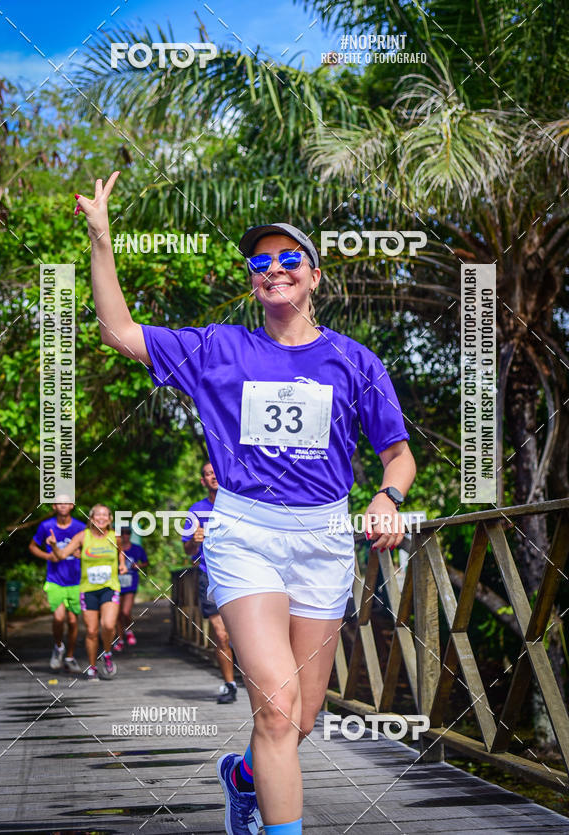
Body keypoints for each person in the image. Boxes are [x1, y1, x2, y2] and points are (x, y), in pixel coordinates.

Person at [74, 175, 415, 834]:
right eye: (262, 262)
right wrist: (101, 240)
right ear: (253, 281)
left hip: (322, 539)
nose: (275, 269)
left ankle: (244, 777)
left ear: (314, 277)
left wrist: (387, 494)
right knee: (278, 712)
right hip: (245, 531)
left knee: (303, 717)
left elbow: (397, 454)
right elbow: (118, 328)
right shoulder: (218, 348)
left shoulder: (356, 361)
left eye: (289, 259)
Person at [47, 503, 127, 680]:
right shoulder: (83, 537)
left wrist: (122, 564)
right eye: (97, 515)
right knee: (91, 631)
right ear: (91, 518)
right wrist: (53, 546)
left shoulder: (115, 537)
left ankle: (107, 653)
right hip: (88, 590)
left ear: (110, 519)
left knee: (107, 625)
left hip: (109, 587)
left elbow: (120, 552)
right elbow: (61, 555)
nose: (101, 518)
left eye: (105, 515)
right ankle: (92, 667)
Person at [182, 461, 238, 704]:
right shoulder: (196, 510)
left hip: (241, 574)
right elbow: (187, 550)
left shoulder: (239, 505)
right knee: (222, 634)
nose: (213, 477)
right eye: (207, 474)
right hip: (209, 574)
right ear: (203, 481)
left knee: (244, 634)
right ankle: (230, 684)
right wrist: (195, 541)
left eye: (216, 472)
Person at [29, 498, 85, 673]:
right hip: (55, 580)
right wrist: (47, 556)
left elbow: (91, 550)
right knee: (59, 618)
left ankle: (69, 656)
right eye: (59, 502)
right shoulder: (46, 526)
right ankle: (58, 646)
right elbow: (32, 546)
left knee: (74, 621)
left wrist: (80, 554)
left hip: (76, 581)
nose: (63, 505)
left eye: (67, 502)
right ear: (53, 506)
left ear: (72, 506)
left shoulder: (80, 527)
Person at [114, 525, 148, 652]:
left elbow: (146, 562)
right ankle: (120, 639)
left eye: (127, 532)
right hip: (116, 584)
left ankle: (128, 630)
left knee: (125, 612)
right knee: (117, 614)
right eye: (122, 533)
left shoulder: (137, 549)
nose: (124, 535)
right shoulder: (114, 549)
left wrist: (138, 565)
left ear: (130, 534)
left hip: (131, 583)